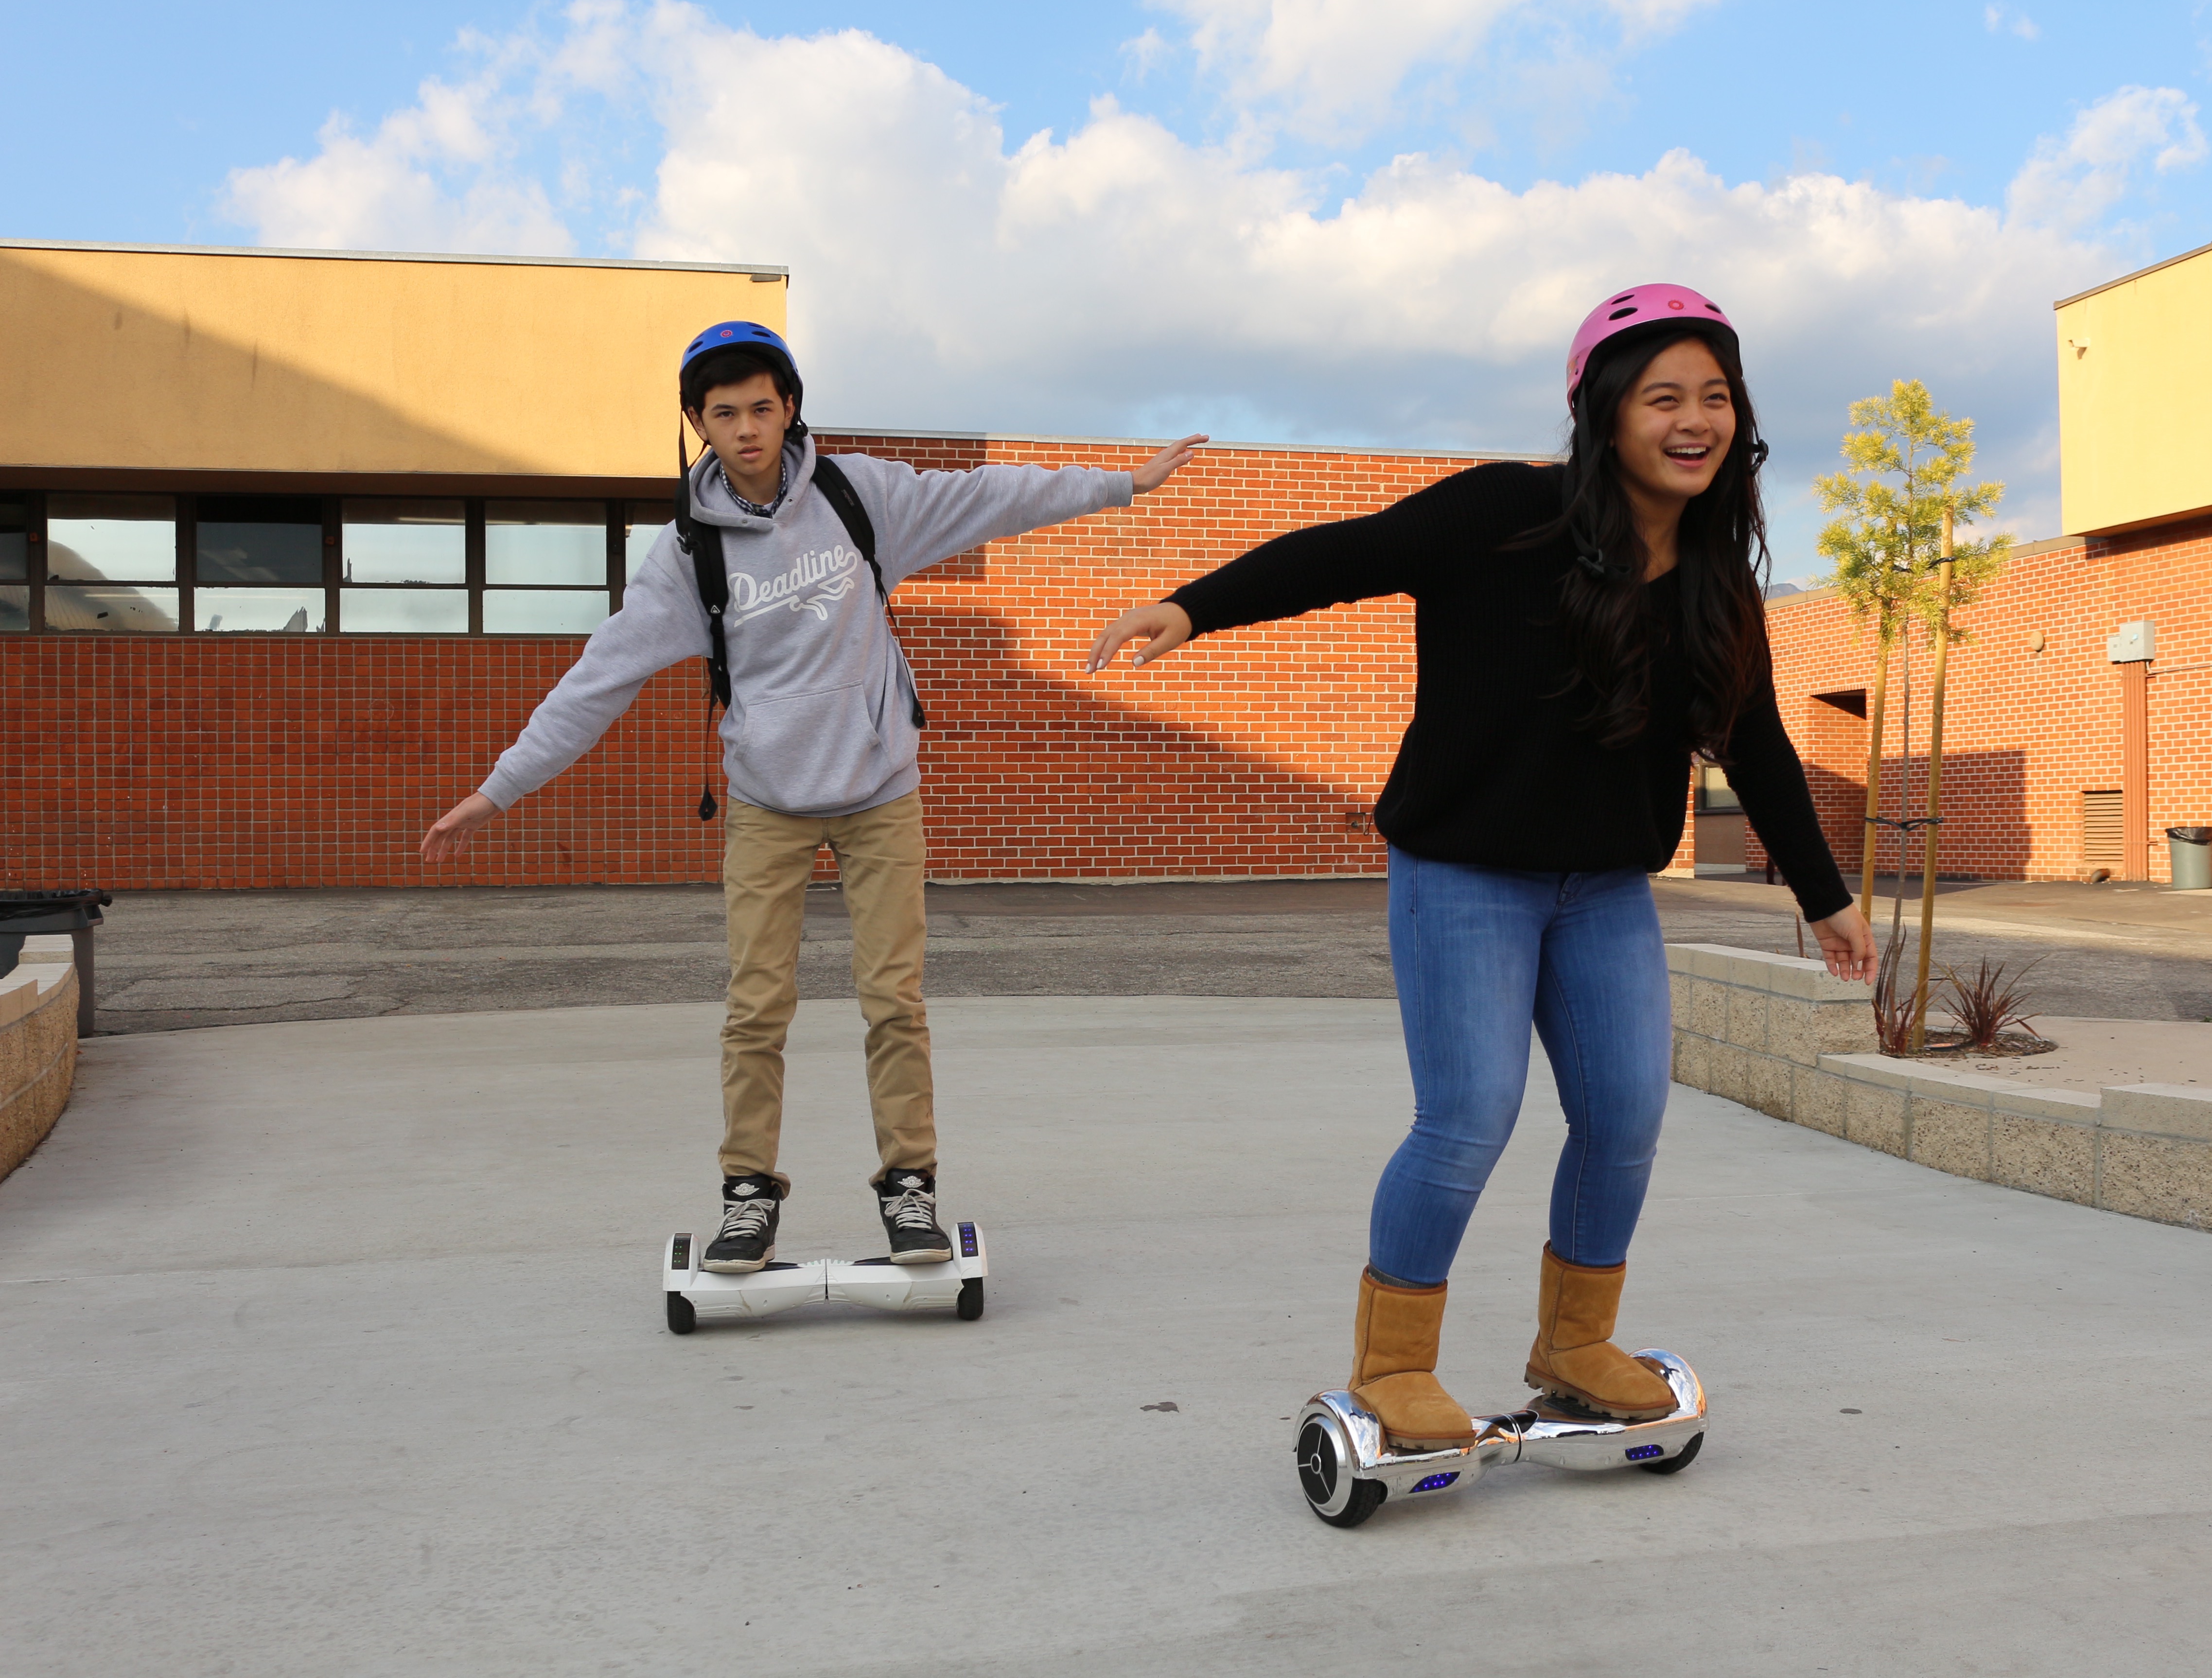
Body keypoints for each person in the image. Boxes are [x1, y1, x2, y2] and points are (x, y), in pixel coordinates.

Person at [1087, 285, 1877, 1450]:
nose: (1694, 418)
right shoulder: (1509, 512)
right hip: (1464, 874)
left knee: (1624, 1115)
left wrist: (1828, 898)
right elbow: (1344, 557)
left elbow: (1755, 743)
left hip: (1605, 889)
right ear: (1604, 412)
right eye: (1664, 396)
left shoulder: (1716, 581)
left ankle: (1573, 1344)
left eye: (1715, 397)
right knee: (1467, 1117)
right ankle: (1396, 1364)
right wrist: (1192, 607)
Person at [423, 320, 1203, 1271]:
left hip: (881, 794)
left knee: (894, 1000)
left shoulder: (860, 494)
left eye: (762, 406)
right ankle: (749, 1197)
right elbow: (598, 679)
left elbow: (992, 496)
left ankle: (908, 1190)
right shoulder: (686, 556)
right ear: (699, 427)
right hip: (766, 806)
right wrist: (499, 790)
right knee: (756, 1007)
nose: (747, 429)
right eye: (724, 415)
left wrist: (1125, 482)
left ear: (789, 407)